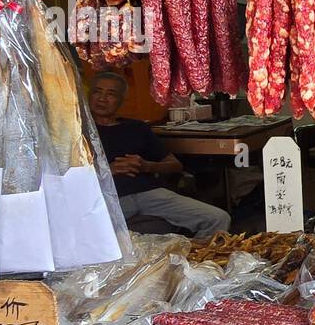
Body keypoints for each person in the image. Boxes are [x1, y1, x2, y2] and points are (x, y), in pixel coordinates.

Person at [88, 71, 231, 237]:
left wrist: (147, 166)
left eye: (111, 94)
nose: (102, 98)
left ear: (121, 100)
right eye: (97, 92)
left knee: (218, 218)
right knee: (95, 235)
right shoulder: (79, 130)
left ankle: (200, 261)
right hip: (110, 197)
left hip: (149, 193)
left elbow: (175, 165)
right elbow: (60, 177)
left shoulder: (136, 127)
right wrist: (106, 171)